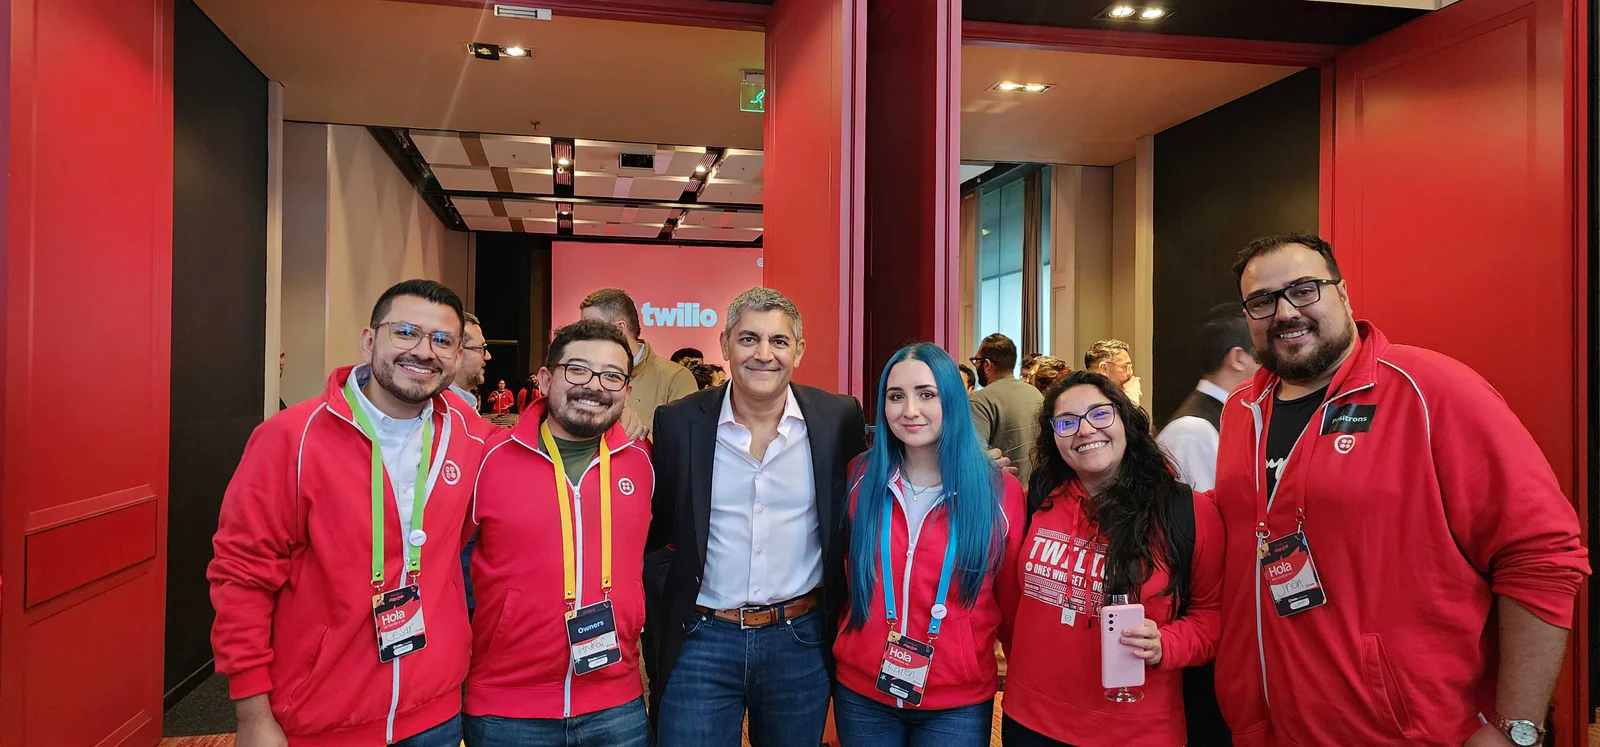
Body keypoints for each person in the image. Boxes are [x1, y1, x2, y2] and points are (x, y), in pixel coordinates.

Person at [1213, 233, 1589, 747]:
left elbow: (1542, 555)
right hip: (1267, 727)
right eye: (1262, 301)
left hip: (1409, 730)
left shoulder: (1433, 389)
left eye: (1303, 290)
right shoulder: (1240, 412)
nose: (1284, 312)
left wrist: (1515, 727)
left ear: (1343, 293)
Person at [209, 279, 480, 747]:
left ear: (457, 357)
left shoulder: (470, 437)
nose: (423, 351)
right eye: (405, 332)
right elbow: (242, 574)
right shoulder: (291, 438)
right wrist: (251, 711)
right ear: (369, 340)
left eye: (442, 340)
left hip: (434, 713)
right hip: (322, 716)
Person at [646, 287, 867, 747]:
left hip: (799, 640)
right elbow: (658, 527)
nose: (763, 354)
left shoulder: (837, 418)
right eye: (748, 339)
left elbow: (890, 466)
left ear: (798, 351)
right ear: (725, 344)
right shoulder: (678, 423)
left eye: (778, 341)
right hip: (701, 638)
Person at [1000, 371, 1223, 747]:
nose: (1085, 430)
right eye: (1066, 422)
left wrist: (1165, 643)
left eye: (1100, 414)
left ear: (1125, 420)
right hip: (1030, 719)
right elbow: (1010, 603)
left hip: (1136, 730)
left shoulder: (1188, 513)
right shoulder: (1038, 498)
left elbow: (1212, 618)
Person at [464, 319, 654, 746]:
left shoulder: (643, 460)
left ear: (626, 392)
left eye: (611, 376)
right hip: (506, 709)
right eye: (578, 370)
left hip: (616, 705)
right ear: (547, 379)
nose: (594, 386)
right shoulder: (488, 458)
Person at [831, 343, 1026, 746]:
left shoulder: (999, 492)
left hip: (957, 700)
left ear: (951, 399)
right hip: (863, 692)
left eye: (926, 394)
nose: (910, 410)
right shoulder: (859, 477)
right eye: (895, 396)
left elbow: (1011, 601)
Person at [1155, 306, 1258, 493]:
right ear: (1238, 358)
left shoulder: (1233, 415)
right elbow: (1203, 507)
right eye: (1261, 355)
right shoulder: (1192, 431)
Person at [581, 288, 698, 435]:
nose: (582, 336)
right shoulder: (583, 377)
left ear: (619, 328)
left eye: (589, 328)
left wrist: (641, 437)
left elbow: (684, 440)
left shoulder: (675, 378)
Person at [969, 333, 1044, 483]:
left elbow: (975, 460)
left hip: (1001, 490)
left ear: (987, 365)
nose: (975, 365)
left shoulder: (979, 400)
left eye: (977, 361)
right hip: (1036, 489)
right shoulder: (1036, 394)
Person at [449, 313, 491, 411]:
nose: (488, 356)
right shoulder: (445, 412)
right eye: (482, 348)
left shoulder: (460, 406)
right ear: (457, 353)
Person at [1084, 340, 1141, 407]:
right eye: (1125, 366)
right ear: (1104, 368)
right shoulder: (1087, 400)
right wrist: (1131, 398)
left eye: (1130, 367)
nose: (1130, 373)